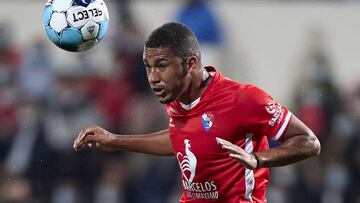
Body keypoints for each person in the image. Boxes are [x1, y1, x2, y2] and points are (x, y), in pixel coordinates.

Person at [73, 22, 321, 203]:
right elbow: (181, 138)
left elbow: (309, 142)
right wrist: (115, 140)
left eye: (161, 66)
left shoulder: (242, 98)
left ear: (190, 64)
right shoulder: (177, 97)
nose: (153, 78)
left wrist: (258, 158)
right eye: (148, 68)